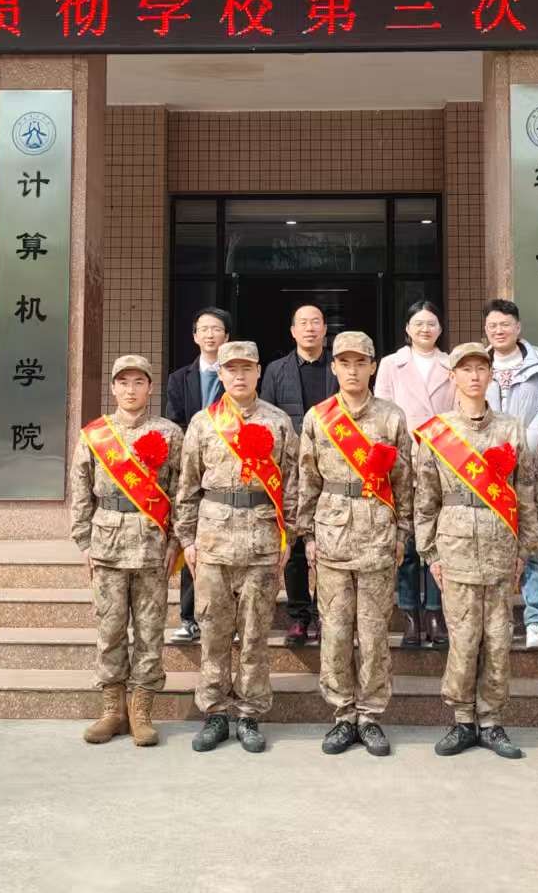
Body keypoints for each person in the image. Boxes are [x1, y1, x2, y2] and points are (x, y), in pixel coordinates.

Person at [414, 341, 538, 760]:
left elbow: (526, 492)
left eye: (480, 369)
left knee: (499, 638)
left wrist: (525, 548)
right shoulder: (438, 432)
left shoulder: (511, 429)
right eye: (465, 369)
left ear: (490, 375)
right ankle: (462, 720)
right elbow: (425, 499)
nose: (473, 376)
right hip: (455, 550)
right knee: (464, 638)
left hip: (501, 547)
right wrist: (430, 554)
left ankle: (492, 721)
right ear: (452, 377)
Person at [175, 340, 298, 754]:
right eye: (232, 369)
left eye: (247, 368)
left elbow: (293, 483)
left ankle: (249, 714)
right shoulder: (203, 423)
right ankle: (214, 713)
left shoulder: (278, 422)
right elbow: (187, 487)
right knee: (213, 632)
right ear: (221, 374)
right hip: (213, 541)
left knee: (255, 634)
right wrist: (187, 540)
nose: (240, 375)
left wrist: (288, 536)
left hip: (262, 541)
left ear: (259, 371)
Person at [297, 330, 415, 757]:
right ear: (333, 367)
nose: (352, 370)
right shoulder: (318, 417)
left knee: (374, 632)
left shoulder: (392, 418)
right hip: (331, 536)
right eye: (344, 362)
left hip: (378, 536)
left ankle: (370, 715)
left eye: (360, 362)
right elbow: (307, 478)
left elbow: (404, 481)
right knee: (334, 630)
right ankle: (343, 715)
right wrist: (307, 535)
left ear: (372, 367)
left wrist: (402, 533)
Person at [67, 355, 184, 748]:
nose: (130, 390)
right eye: (123, 382)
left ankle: (142, 712)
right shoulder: (95, 435)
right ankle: (112, 710)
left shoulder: (169, 433)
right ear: (113, 388)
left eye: (138, 382)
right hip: (108, 543)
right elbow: (81, 490)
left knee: (150, 631)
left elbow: (181, 491)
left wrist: (176, 541)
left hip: (152, 546)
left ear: (150, 388)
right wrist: (84, 541)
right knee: (110, 629)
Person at [483, 297, 538, 651]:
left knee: (535, 539)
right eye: (492, 325)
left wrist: (523, 444)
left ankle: (536, 620)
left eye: (505, 324)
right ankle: (497, 618)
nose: (499, 330)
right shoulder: (477, 363)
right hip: (489, 467)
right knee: (495, 540)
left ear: (518, 327)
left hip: (532, 462)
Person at [375, 299, 452, 649]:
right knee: (406, 542)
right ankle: (410, 614)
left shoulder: (451, 364)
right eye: (418, 323)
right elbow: (382, 411)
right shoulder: (391, 364)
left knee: (435, 539)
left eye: (431, 323)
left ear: (440, 328)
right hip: (403, 460)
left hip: (442, 460)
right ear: (407, 328)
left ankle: (434, 613)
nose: (425, 328)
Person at [258, 303, 332, 646]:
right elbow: (268, 418)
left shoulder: (338, 367)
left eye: (316, 322)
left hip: (331, 469)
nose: (310, 328)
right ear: (292, 331)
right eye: (303, 323)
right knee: (295, 544)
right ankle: (299, 616)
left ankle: (325, 613)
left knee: (328, 542)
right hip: (290, 471)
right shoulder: (276, 370)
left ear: (325, 329)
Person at [163, 305, 233, 643]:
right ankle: (189, 617)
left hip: (228, 472)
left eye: (216, 329)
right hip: (193, 472)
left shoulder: (237, 376)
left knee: (229, 548)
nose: (210, 334)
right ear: (194, 336)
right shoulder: (180, 378)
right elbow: (174, 421)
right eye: (204, 329)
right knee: (192, 542)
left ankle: (229, 619)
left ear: (226, 336)